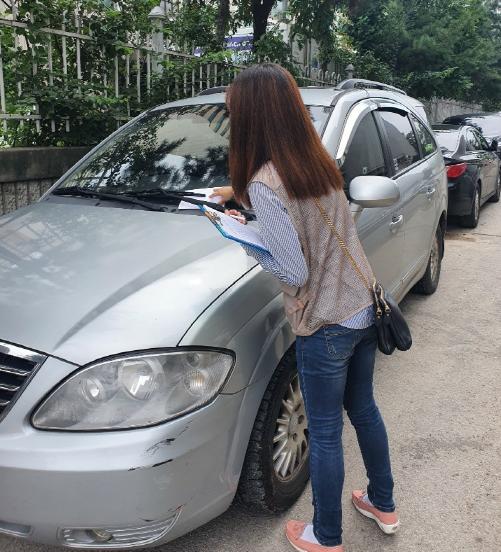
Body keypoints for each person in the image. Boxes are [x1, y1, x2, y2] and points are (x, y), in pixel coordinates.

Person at [212, 63, 399, 552]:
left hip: (326, 322)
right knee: (364, 409)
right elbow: (309, 226)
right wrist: (243, 202)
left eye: (233, 112)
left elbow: (293, 271)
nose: (230, 121)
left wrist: (243, 237)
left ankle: (326, 536)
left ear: (253, 117)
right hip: (363, 306)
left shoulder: (266, 183)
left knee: (325, 432)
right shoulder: (316, 162)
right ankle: (383, 502)